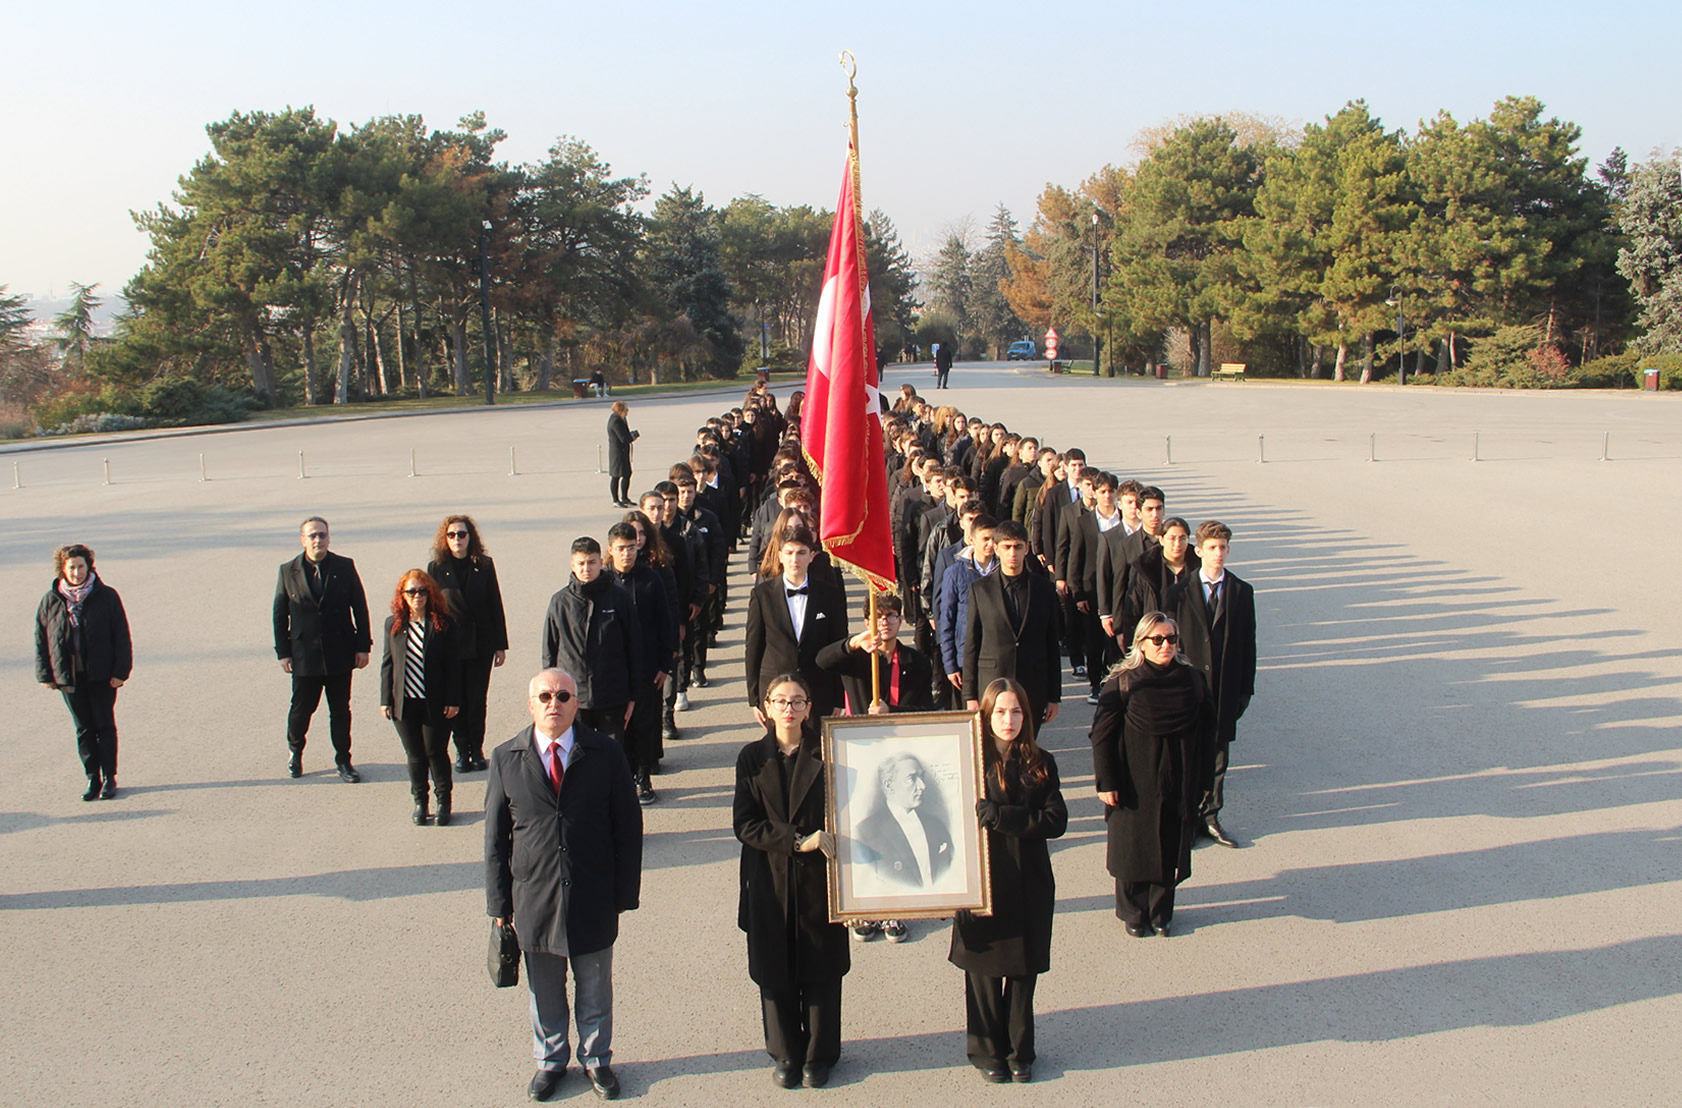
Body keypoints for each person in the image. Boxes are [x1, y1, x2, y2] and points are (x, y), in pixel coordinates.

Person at [485, 669, 643, 1102]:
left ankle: (597, 1060)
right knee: (545, 989)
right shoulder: (505, 758)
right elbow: (496, 839)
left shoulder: (606, 753)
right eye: (545, 696)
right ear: (531, 704)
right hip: (533, 895)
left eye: (563, 696)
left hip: (592, 892)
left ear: (576, 704)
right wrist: (499, 904)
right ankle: (551, 1061)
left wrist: (624, 893)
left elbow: (627, 826)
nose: (554, 703)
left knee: (595, 985)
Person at [732, 673, 849, 1089]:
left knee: (821, 967)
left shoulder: (829, 749)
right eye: (780, 701)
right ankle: (785, 1052)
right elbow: (745, 824)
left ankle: (820, 1054)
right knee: (773, 968)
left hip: (821, 878)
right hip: (769, 878)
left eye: (797, 701)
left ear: (809, 708)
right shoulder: (751, 758)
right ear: (765, 707)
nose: (789, 709)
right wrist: (797, 841)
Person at [950, 678, 1067, 1084]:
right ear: (985, 714)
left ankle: (1021, 1050)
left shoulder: (1041, 761)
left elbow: (1056, 821)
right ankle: (986, 1049)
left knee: (1021, 972)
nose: (1009, 719)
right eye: (1000, 711)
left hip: (1028, 881)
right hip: (981, 879)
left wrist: (1004, 817)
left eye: (1016, 711)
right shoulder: (967, 759)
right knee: (983, 972)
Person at [1088, 612, 1215, 938]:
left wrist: (1203, 782)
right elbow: (1101, 735)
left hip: (1179, 776)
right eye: (1157, 640)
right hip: (1133, 779)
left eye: (1171, 639)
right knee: (1133, 846)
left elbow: (1207, 735)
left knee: (1169, 843)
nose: (1165, 645)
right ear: (1141, 644)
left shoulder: (1192, 680)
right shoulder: (1125, 681)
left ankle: (1160, 912)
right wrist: (1107, 781)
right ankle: (1133, 911)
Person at [1170, 521, 1257, 849]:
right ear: (1198, 550)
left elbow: (1248, 643)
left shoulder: (1240, 591)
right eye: (1212, 548)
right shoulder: (1179, 592)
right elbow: (1169, 645)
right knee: (1187, 756)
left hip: (1224, 689)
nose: (1218, 554)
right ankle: (1187, 817)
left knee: (1219, 757)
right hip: (1189, 689)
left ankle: (1211, 817)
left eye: (1223, 548)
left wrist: (1244, 691)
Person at [273, 517, 372, 782]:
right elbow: (280, 614)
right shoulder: (288, 571)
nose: (318, 540)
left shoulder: (344, 566)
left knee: (340, 710)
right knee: (302, 709)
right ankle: (295, 752)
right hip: (305, 655)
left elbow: (360, 608)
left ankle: (344, 761)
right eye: (313, 536)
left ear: (329, 538)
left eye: (323, 535)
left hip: (340, 652)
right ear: (302, 539)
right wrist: (283, 652)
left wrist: (363, 646)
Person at [35, 543, 132, 801]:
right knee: (84, 729)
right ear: (63, 570)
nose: (77, 572)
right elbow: (42, 639)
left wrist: (121, 671)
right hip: (69, 678)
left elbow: (121, 636)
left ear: (89, 566)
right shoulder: (51, 600)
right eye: (72, 568)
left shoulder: (107, 596)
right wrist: (46, 675)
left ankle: (110, 777)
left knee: (104, 725)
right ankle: (92, 778)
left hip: (101, 675)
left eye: (81, 566)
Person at [541, 538, 641, 760]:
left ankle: (614, 794)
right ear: (572, 565)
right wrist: (550, 696)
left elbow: (634, 647)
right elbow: (549, 651)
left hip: (612, 694)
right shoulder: (560, 602)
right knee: (576, 756)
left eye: (592, 562)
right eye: (581, 563)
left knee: (613, 755)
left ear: (601, 562)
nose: (586, 569)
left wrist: (633, 695)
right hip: (573, 698)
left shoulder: (619, 598)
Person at [743, 524, 849, 723]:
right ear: (780, 556)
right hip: (776, 692)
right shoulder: (762, 595)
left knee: (817, 750)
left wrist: (839, 697)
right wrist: (754, 699)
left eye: (801, 553)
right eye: (789, 552)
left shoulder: (829, 594)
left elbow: (838, 645)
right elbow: (753, 648)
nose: (795, 559)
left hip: (819, 691)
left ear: (811, 556)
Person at [379, 570, 461, 825]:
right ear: (402, 596)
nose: (417, 596)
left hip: (435, 702)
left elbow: (453, 665)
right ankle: (420, 802)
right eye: (411, 592)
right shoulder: (393, 624)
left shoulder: (443, 623)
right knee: (414, 755)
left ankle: (444, 801)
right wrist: (385, 699)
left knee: (435, 751)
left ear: (430, 593)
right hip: (404, 701)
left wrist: (453, 699)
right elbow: (387, 664)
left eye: (422, 591)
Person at [427, 514, 508, 773]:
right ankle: (461, 750)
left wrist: (500, 644)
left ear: (470, 537)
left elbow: (495, 603)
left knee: (476, 701)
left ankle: (477, 748)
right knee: (455, 700)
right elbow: (432, 609)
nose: (457, 540)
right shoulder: (436, 568)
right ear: (445, 539)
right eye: (452, 535)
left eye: (462, 534)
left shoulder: (483, 565)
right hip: (450, 646)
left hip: (480, 645)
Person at [963, 521, 1063, 727]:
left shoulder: (1044, 589)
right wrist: (970, 695)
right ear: (996, 549)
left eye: (1017, 547)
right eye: (1006, 547)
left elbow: (1052, 644)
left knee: (1028, 749)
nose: (1012, 553)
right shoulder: (980, 590)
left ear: (1027, 548)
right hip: (992, 683)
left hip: (1033, 684)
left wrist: (1054, 696)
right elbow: (972, 644)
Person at [604, 522, 674, 805]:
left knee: (644, 725)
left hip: (646, 667)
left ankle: (643, 777)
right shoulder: (604, 581)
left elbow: (664, 622)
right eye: (621, 549)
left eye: (631, 548)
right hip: (614, 670)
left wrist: (664, 664)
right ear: (610, 550)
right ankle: (620, 779)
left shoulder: (649, 578)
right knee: (618, 729)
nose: (627, 554)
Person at [854, 753, 953, 888]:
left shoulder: (936, 826)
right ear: (889, 786)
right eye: (912, 778)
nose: (922, 786)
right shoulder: (865, 833)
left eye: (921, 777)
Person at [606, 400, 640, 507]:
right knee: (616, 476)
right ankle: (615, 500)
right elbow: (623, 438)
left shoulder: (621, 419)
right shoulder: (615, 421)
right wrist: (633, 436)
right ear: (620, 410)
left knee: (627, 474)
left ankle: (624, 497)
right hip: (617, 453)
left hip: (623, 452)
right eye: (626, 409)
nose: (628, 411)